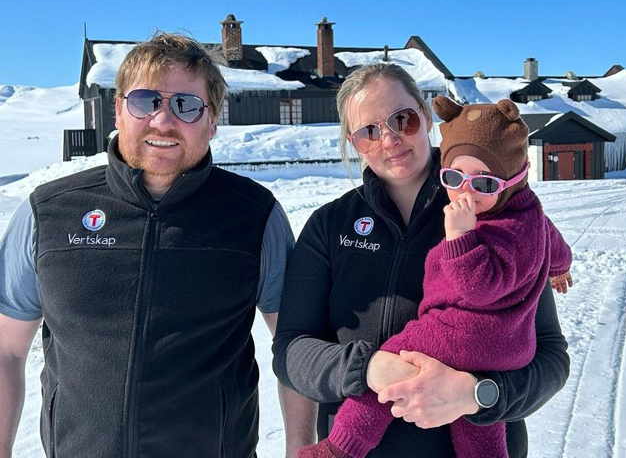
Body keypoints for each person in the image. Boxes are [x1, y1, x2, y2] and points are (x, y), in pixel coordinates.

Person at [0, 33, 312, 458]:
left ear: (213, 119)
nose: (163, 121)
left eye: (186, 105)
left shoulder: (255, 216)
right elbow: (6, 348)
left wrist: (300, 447)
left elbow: (294, 343)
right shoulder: (49, 213)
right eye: (146, 101)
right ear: (118, 109)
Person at [273, 64, 571, 458]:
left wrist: (478, 395)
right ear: (353, 141)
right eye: (369, 131)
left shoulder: (495, 211)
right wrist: (368, 369)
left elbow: (550, 355)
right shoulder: (330, 226)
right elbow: (292, 352)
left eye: (403, 118)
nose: (390, 139)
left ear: (426, 117)